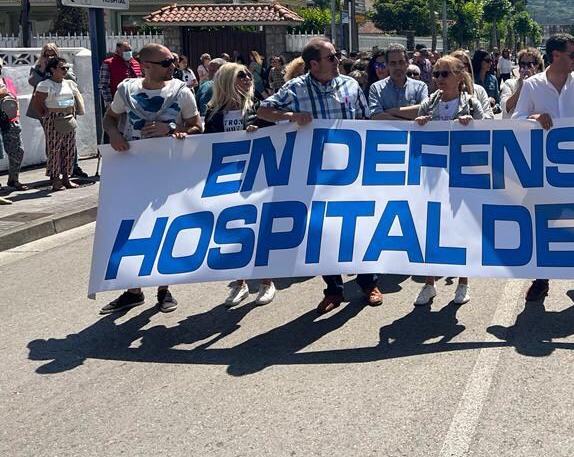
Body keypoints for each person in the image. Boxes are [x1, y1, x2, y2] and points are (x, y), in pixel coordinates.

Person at [257, 37, 384, 314]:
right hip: (315, 175)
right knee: (324, 232)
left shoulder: (350, 85)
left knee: (358, 227)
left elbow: (365, 120)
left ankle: (368, 283)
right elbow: (263, 110)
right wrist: (290, 116)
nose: (338, 60)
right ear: (313, 64)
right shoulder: (295, 88)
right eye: (331, 57)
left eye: (336, 56)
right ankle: (334, 290)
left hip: (351, 172)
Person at [98, 43, 202, 315]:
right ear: (146, 66)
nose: (173, 67)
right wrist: (115, 135)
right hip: (133, 169)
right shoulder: (126, 90)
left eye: (173, 61)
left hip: (169, 172)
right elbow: (109, 119)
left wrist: (173, 129)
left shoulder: (181, 91)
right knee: (132, 229)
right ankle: (133, 291)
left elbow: (197, 126)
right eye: (166, 63)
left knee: (164, 228)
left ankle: (164, 289)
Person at [512, 33, 574, 306]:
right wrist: (533, 117)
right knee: (544, 225)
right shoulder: (532, 85)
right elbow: (516, 118)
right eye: (572, 54)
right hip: (544, 171)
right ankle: (541, 280)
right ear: (556, 55)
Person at [411, 55, 486, 306]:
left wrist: (472, 124)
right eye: (436, 74)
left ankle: (463, 282)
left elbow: (489, 133)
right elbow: (416, 141)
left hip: (462, 175)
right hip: (433, 175)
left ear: (458, 75)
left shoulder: (471, 103)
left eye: (444, 74)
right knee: (431, 228)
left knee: (461, 227)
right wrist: (420, 124)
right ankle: (429, 283)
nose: (439, 79)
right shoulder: (428, 104)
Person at [203, 62, 277, 307]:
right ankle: (239, 282)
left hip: (258, 177)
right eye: (241, 75)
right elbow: (207, 144)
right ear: (225, 80)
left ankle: (266, 281)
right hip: (228, 179)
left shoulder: (259, 108)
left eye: (247, 74)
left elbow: (275, 134)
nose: (247, 78)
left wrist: (258, 130)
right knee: (232, 230)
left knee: (259, 228)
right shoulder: (213, 112)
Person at [29, 57, 85, 192]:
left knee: (69, 148)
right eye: (62, 68)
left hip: (68, 117)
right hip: (54, 118)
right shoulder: (45, 84)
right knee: (55, 149)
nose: (65, 70)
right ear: (53, 70)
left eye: (67, 68)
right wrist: (47, 115)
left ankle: (66, 177)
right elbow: (37, 104)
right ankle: (55, 179)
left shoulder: (69, 84)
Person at [368, 44, 428, 121]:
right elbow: (376, 116)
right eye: (393, 63)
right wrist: (408, 121)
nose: (398, 67)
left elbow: (424, 110)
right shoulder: (376, 88)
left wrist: (390, 111)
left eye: (401, 62)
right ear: (387, 65)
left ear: (407, 63)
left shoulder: (420, 87)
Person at [0, 56, 26, 192]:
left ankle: (13, 179)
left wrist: (16, 116)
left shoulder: (7, 82)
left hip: (10, 120)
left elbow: (14, 100)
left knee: (18, 151)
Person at [98, 41, 143, 110]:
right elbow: (104, 86)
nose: (129, 52)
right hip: (119, 103)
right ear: (117, 51)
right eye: (126, 50)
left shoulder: (135, 63)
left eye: (130, 50)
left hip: (136, 103)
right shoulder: (108, 64)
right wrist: (110, 104)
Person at [498, 48, 542, 117]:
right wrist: (522, 86)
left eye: (529, 64)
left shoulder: (542, 86)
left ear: (537, 66)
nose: (525, 67)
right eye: (522, 64)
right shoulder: (509, 84)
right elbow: (505, 107)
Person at [452, 50, 495, 118]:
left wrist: (474, 117)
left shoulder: (479, 90)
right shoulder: (438, 96)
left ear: (469, 68)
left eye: (464, 65)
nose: (460, 69)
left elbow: (490, 117)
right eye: (456, 65)